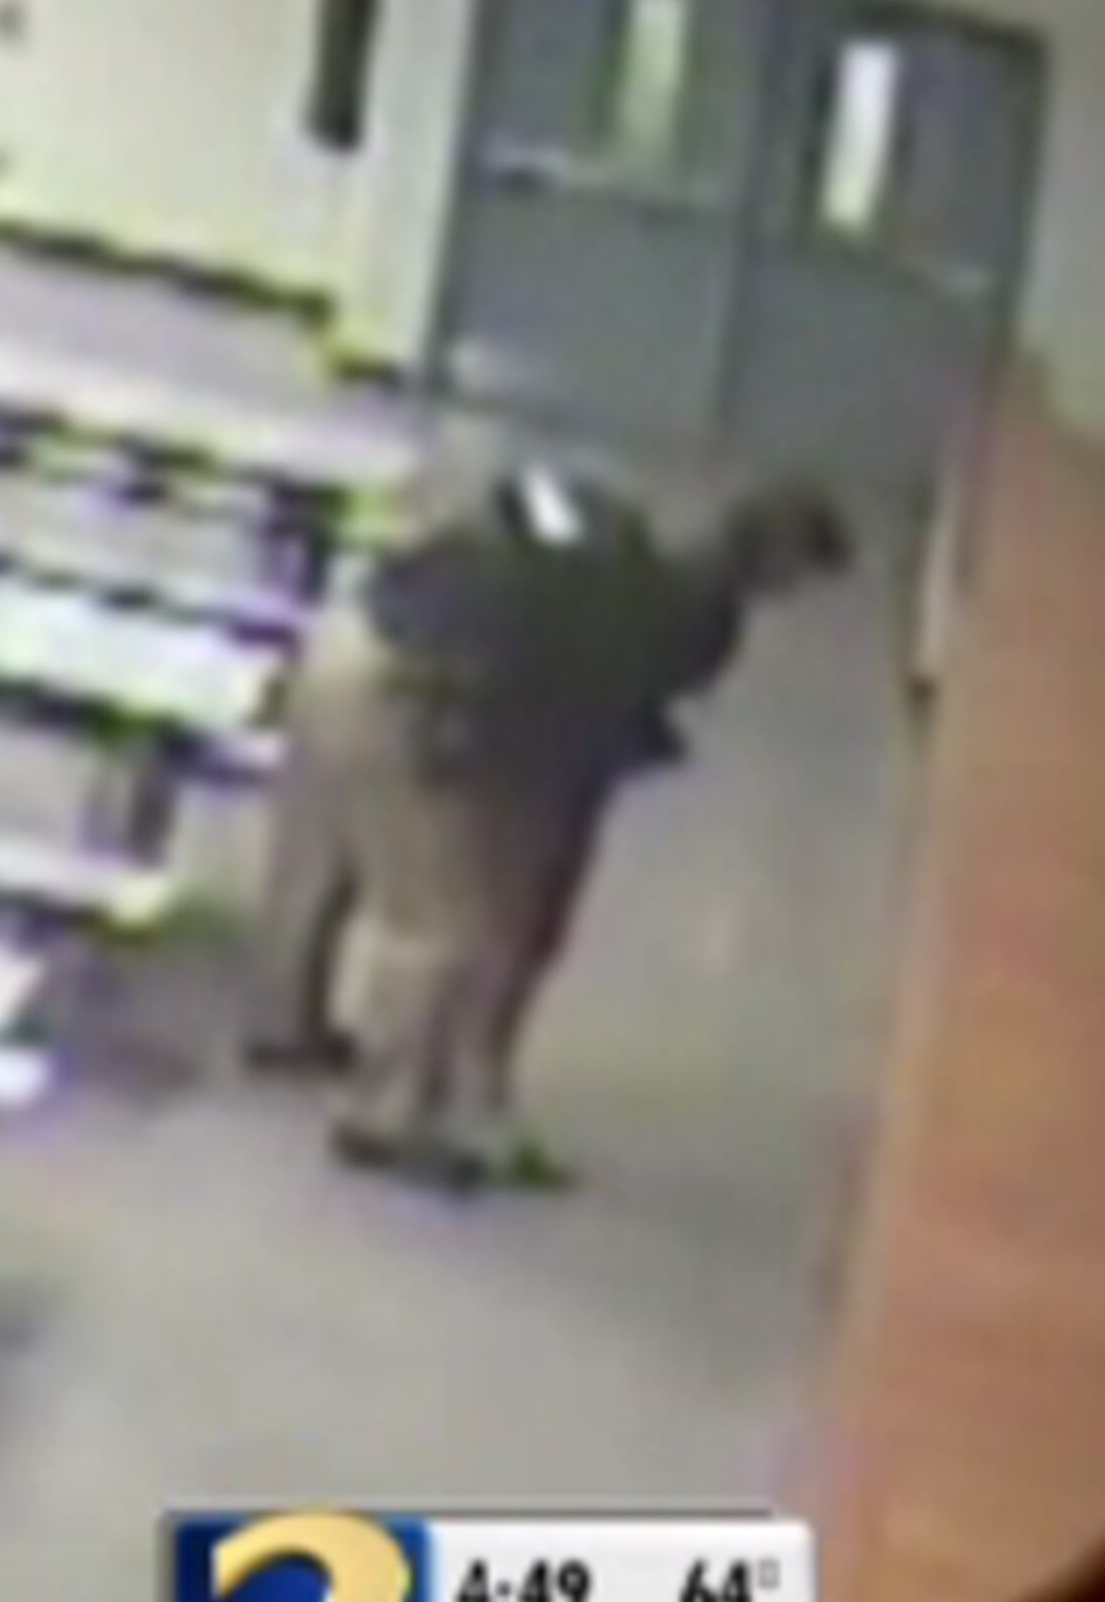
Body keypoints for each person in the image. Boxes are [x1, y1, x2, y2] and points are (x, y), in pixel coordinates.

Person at [259, 465, 852, 1188]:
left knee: (326, 861)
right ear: (781, 575)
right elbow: (558, 746)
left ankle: (293, 1029)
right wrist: (506, 835)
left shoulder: (614, 538)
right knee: (442, 923)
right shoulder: (668, 622)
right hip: (411, 690)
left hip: (357, 637)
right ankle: (387, 1115)